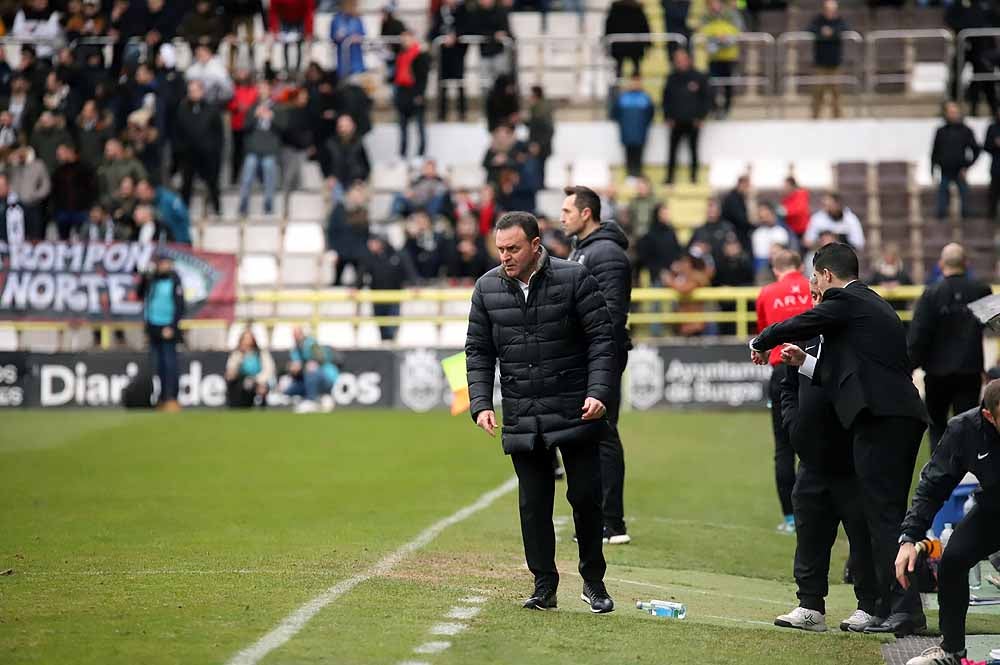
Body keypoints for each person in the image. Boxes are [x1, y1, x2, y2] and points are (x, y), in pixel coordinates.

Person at [751, 242, 929, 637]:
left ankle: (902, 609)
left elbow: (800, 323)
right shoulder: (866, 309)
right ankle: (892, 606)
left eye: (815, 277)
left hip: (887, 419)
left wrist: (762, 340)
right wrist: (805, 365)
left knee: (882, 517)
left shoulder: (848, 302)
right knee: (882, 514)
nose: (812, 285)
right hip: (891, 417)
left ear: (827, 275)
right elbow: (845, 368)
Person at [465, 211, 617, 613]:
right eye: (500, 249)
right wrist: (480, 403)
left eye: (513, 248)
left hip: (576, 409)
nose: (506, 256)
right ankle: (543, 584)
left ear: (536, 245)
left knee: (585, 498)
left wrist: (599, 391)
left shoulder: (574, 278)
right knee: (533, 505)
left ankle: (593, 582)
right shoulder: (486, 288)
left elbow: (603, 339)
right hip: (522, 413)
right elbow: (478, 351)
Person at [772, 276, 880, 633]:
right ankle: (810, 606)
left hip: (851, 456)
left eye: (821, 295)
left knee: (861, 535)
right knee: (810, 532)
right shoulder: (804, 333)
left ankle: (868, 606)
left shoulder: (852, 336)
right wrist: (794, 426)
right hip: (813, 457)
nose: (817, 301)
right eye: (814, 295)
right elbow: (787, 385)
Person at [893, 380, 1000, 665]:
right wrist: (909, 538)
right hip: (995, 509)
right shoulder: (965, 430)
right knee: (952, 560)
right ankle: (953, 651)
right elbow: (933, 486)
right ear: (988, 415)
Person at [562, 186, 633, 544]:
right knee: (590, 434)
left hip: (599, 355)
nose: (562, 217)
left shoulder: (605, 254)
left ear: (586, 213)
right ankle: (598, 519)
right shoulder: (584, 251)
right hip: (587, 354)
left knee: (603, 433)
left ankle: (612, 522)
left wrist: (597, 356)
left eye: (567, 211)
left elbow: (611, 314)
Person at [908, 243, 992, 452]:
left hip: (937, 373)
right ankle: (969, 476)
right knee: (969, 427)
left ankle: (940, 473)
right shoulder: (981, 290)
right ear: (966, 263)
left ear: (941, 264)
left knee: (937, 427)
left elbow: (919, 335)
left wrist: (908, 366)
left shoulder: (931, 293)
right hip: (969, 370)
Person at [755, 249, 813, 534]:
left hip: (782, 372)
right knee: (816, 441)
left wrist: (765, 354)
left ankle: (790, 519)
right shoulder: (811, 287)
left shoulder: (767, 293)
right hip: (813, 369)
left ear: (775, 268)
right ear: (800, 266)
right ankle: (816, 512)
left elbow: (764, 341)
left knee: (783, 448)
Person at [138, 251, 185, 413]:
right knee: (157, 365)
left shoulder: (174, 279)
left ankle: (171, 397)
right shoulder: (151, 279)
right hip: (153, 327)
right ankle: (160, 398)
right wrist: (144, 277)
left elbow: (180, 306)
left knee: (169, 365)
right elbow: (140, 295)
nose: (165, 266)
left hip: (168, 327)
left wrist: (172, 326)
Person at [662, 49, 711, 185]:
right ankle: (669, 178)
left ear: (689, 60)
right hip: (676, 121)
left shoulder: (699, 77)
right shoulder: (671, 78)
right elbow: (665, 99)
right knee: (672, 151)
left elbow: (706, 99)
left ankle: (694, 177)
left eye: (683, 59)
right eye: (677, 60)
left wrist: (701, 117)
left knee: (693, 150)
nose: (680, 63)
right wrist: (668, 117)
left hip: (693, 121)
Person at [175, 80, 224, 216]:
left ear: (202, 91)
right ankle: (184, 210)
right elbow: (178, 131)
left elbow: (218, 134)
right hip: (189, 153)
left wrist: (216, 151)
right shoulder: (182, 108)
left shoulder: (212, 109)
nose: (193, 94)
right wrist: (181, 149)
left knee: (212, 183)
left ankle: (217, 208)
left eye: (196, 90)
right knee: (187, 184)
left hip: (208, 154)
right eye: (190, 91)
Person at [238, 82, 281, 216]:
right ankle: (243, 204)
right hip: (253, 149)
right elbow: (244, 128)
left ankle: (268, 204)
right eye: (259, 89)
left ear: (270, 90)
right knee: (248, 171)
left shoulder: (278, 108)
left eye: (264, 89)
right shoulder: (252, 108)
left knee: (269, 169)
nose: (261, 91)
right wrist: (254, 117)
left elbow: (284, 128)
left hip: (270, 149)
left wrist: (272, 118)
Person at [931, 101, 980, 220]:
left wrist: (967, 166)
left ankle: (966, 220)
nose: (953, 114)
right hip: (945, 170)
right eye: (950, 112)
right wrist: (932, 169)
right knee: (942, 197)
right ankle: (941, 220)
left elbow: (976, 149)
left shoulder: (966, 130)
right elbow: (935, 151)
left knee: (964, 197)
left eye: (955, 112)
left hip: (960, 170)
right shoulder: (941, 131)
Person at [698, 0, 743, 118]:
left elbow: (738, 31)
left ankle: (726, 108)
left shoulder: (732, 15)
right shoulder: (705, 17)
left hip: (729, 56)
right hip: (713, 56)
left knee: (728, 84)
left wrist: (726, 39)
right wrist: (715, 38)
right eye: (711, 3)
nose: (714, 5)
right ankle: (714, 108)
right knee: (712, 84)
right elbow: (703, 33)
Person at [807, 0, 849, 119]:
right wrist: (821, 32)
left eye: (832, 10)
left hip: (835, 63)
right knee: (817, 92)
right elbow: (809, 29)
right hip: (820, 63)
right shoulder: (818, 20)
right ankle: (815, 118)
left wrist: (832, 32)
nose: (830, 12)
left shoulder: (839, 20)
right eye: (828, 9)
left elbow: (845, 29)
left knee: (836, 93)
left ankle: (838, 118)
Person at [393, 30, 431, 160]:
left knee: (420, 126)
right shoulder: (400, 54)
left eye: (407, 39)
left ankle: (420, 155)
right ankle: (402, 155)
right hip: (402, 92)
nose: (405, 41)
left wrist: (419, 94)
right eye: (403, 39)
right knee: (403, 128)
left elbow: (423, 77)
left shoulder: (421, 55)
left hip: (414, 92)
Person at [429, 0, 469, 121]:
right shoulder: (439, 12)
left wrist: (455, 37)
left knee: (460, 83)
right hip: (443, 54)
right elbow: (433, 31)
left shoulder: (462, 11)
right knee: (442, 84)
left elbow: (467, 27)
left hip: (458, 53)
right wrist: (441, 37)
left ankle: (462, 113)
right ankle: (442, 113)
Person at [285, 326, 339, 413]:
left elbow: (321, 358)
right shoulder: (295, 350)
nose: (296, 337)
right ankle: (319, 399)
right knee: (289, 390)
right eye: (294, 335)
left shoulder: (312, 344)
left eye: (298, 334)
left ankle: (311, 401)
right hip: (307, 378)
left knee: (311, 372)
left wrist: (310, 364)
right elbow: (296, 365)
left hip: (325, 377)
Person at [612, 74, 655, 179]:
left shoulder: (645, 98)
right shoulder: (623, 98)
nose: (635, 84)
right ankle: (630, 176)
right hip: (626, 132)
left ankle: (638, 176)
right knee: (628, 154)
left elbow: (650, 114)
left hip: (640, 132)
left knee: (639, 155)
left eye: (637, 82)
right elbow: (615, 113)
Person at [51, 143, 96, 240]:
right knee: (63, 240)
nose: (58, 157)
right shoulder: (58, 171)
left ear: (70, 152)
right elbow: (54, 192)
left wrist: (90, 206)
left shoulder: (85, 168)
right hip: (63, 211)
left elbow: (92, 188)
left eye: (61, 154)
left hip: (81, 210)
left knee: (83, 238)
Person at [225, 329, 275, 408]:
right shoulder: (237, 354)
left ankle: (259, 403)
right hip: (241, 383)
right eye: (245, 339)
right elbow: (231, 370)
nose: (247, 342)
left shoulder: (261, 353)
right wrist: (241, 356)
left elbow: (269, 369)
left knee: (259, 386)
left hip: (258, 381)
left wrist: (257, 380)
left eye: (249, 338)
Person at [604, 0, 650, 79]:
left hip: (623, 45)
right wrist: (648, 43)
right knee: (634, 68)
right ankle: (632, 83)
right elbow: (645, 27)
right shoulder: (637, 9)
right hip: (633, 45)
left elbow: (609, 26)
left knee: (621, 70)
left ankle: (628, 84)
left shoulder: (616, 9)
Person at [269, 0, 315, 74]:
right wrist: (274, 30)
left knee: (299, 44)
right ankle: (287, 68)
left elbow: (309, 11)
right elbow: (273, 11)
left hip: (300, 19)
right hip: (284, 19)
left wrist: (309, 32)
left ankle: (298, 69)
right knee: (285, 44)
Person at [751, 201, 792, 278]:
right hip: (762, 266)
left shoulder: (781, 231)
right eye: (762, 216)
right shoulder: (757, 233)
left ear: (773, 214)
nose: (765, 218)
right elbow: (758, 256)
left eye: (767, 215)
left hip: (780, 265)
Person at [721, 174, 753, 251]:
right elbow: (740, 219)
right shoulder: (733, 199)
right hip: (735, 235)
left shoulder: (737, 197)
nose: (748, 189)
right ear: (742, 184)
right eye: (747, 186)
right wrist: (753, 227)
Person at [984, 107, 1000, 219]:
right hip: (996, 167)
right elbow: (986, 146)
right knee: (993, 194)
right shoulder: (992, 127)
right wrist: (995, 144)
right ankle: (991, 217)